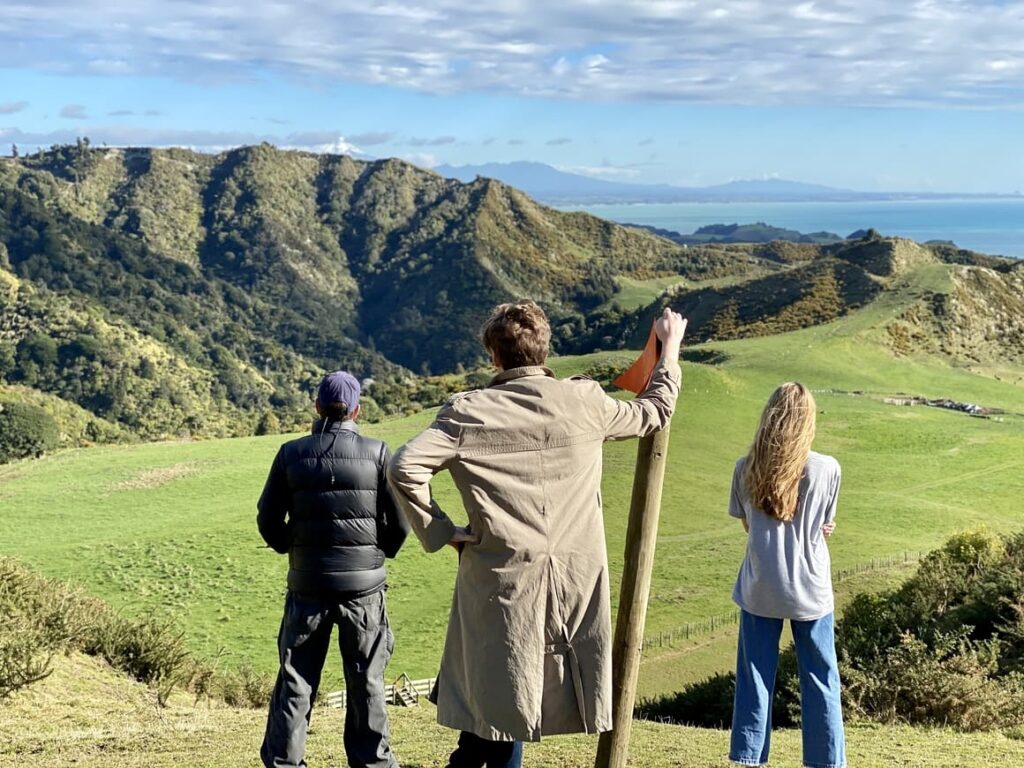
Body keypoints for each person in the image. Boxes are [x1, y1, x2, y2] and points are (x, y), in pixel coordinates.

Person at [387, 300, 686, 768]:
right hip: (575, 576)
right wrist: (669, 353)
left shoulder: (469, 413)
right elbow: (653, 411)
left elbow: (404, 466)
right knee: (507, 711)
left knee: (500, 698)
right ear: (544, 350)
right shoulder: (584, 402)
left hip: (498, 577)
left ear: (494, 356)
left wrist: (444, 532)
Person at [257, 370, 410, 768]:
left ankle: (284, 762)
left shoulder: (291, 453)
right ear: (357, 410)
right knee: (367, 682)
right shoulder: (378, 453)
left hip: (307, 585)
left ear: (316, 407)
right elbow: (400, 523)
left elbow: (268, 518)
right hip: (364, 590)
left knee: (296, 681)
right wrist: (378, 553)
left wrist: (290, 546)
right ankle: (373, 763)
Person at [728, 382, 845, 768]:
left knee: (754, 677)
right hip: (809, 589)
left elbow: (749, 525)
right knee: (820, 680)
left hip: (761, 585)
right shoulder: (827, 468)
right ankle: (825, 761)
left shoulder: (745, 468)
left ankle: (748, 758)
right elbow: (824, 525)